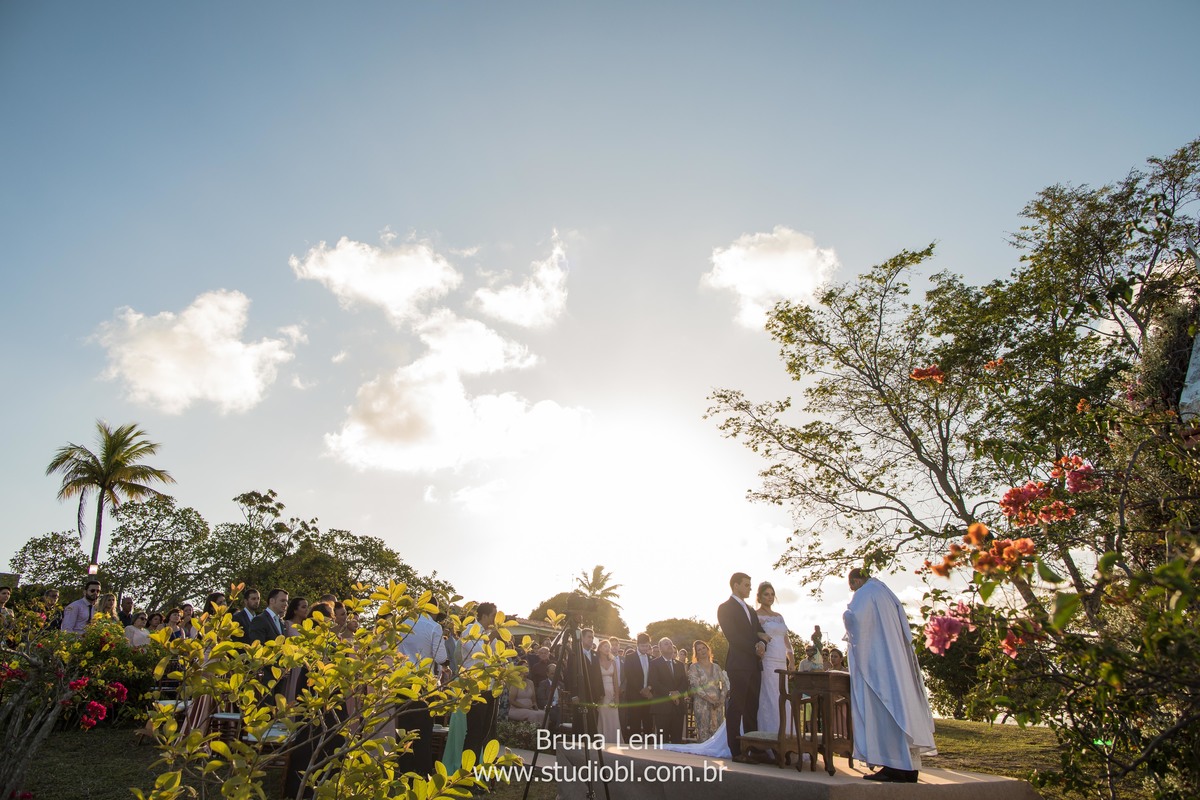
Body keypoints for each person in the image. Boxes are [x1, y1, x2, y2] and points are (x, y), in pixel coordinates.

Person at [844, 568, 937, 783]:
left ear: (856, 581)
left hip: (878, 664)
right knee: (902, 708)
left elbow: (855, 621)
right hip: (896, 662)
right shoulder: (885, 592)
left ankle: (894, 765)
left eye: (852, 586)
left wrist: (845, 615)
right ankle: (909, 768)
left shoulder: (865, 593)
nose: (853, 590)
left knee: (884, 710)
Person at [716, 572, 767, 761]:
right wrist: (754, 648)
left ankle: (753, 747)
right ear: (736, 586)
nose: (750, 588)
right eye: (747, 585)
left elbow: (760, 633)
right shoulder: (725, 608)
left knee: (752, 707)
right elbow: (733, 636)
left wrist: (762, 645)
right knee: (737, 705)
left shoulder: (751, 610)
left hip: (755, 665)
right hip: (738, 664)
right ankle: (736, 750)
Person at [755, 581, 795, 736]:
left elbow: (787, 642)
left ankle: (787, 736)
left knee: (782, 697)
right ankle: (769, 736)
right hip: (768, 661)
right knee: (770, 697)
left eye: (772, 594)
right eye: (766, 594)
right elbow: (756, 636)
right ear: (759, 597)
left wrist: (791, 660)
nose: (770, 597)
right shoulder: (756, 615)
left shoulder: (779, 617)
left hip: (781, 662)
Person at [648, 637, 688, 743]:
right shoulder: (654, 663)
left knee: (677, 740)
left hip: (678, 706)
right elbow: (655, 682)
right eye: (666, 644)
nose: (670, 645)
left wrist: (678, 693)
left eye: (670, 643)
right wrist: (670, 694)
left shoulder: (679, 664)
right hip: (662, 707)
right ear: (660, 648)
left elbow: (684, 683)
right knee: (662, 740)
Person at [687, 640, 727, 742]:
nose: (702, 651)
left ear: (708, 649)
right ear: (696, 653)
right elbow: (696, 687)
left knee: (717, 732)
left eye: (703, 648)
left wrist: (721, 699)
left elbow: (724, 684)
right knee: (704, 733)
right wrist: (710, 700)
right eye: (699, 649)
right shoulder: (694, 667)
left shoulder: (716, 667)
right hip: (702, 704)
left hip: (717, 705)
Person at [595, 639, 621, 744]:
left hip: (611, 692)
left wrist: (617, 696)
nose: (607, 648)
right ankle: (602, 740)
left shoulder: (613, 662)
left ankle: (614, 741)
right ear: (600, 648)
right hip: (601, 693)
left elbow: (615, 680)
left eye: (608, 647)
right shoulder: (596, 662)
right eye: (605, 646)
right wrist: (598, 696)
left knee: (614, 717)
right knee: (603, 717)